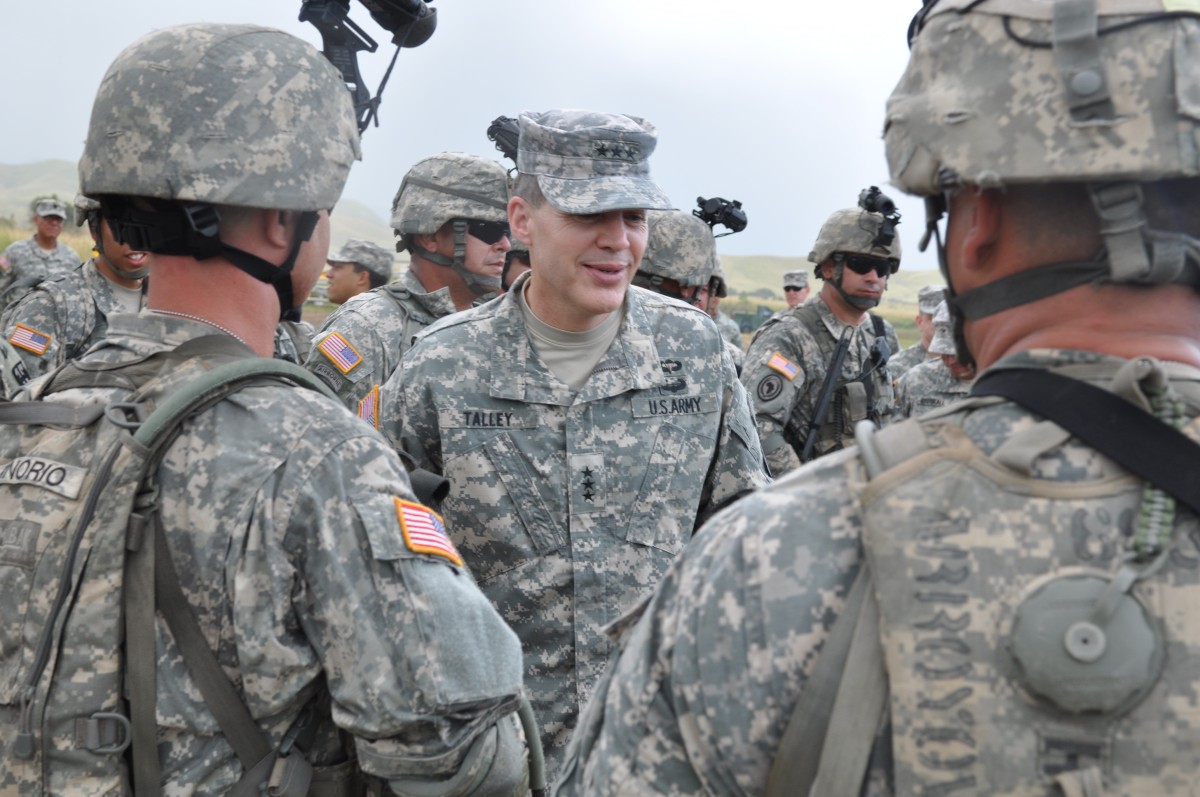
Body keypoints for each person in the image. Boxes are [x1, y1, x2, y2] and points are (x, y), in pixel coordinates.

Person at [556, 2, 1200, 794]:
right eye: (860, 262)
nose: (875, 278)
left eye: (887, 264)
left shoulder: (771, 567)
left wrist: (837, 505)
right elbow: (763, 438)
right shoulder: (791, 362)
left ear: (978, 227)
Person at [24, 22, 527, 794]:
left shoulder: (45, 409)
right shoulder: (320, 452)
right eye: (321, 208)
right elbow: (465, 759)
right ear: (280, 220)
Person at [383, 109, 769, 781]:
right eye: (590, 215)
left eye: (635, 217)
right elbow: (391, 574)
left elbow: (742, 538)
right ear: (522, 221)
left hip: (655, 756)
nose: (618, 241)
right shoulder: (439, 368)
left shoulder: (696, 350)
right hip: (498, 760)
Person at [306, 152, 511, 422]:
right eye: (488, 229)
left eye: (508, 231)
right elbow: (328, 440)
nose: (505, 244)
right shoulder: (366, 327)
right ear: (430, 236)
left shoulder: (499, 321)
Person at [740, 196, 900, 475]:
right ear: (828, 267)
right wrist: (806, 490)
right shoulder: (790, 335)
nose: (874, 276)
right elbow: (757, 426)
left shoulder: (881, 333)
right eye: (861, 264)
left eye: (883, 268)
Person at [0, 194, 150, 397]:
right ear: (94, 230)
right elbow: (19, 408)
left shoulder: (172, 302)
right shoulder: (48, 305)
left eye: (148, 221)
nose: (136, 236)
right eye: (121, 223)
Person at [895, 299, 974, 417]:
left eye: (958, 353)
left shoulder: (1006, 382)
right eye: (944, 352)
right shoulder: (917, 379)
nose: (951, 361)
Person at [0, 197, 81, 312]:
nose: (54, 223)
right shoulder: (14, 252)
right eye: (48, 218)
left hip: (59, 327)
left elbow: (77, 296)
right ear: (36, 219)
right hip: (21, 326)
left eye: (59, 219)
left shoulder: (72, 257)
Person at [889, 283, 944, 378]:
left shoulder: (967, 364)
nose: (942, 323)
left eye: (948, 318)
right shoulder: (896, 366)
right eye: (934, 317)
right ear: (919, 322)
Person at [324, 238, 394, 305]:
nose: (328, 274)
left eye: (338, 267)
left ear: (362, 277)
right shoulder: (378, 312)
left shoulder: (359, 316)